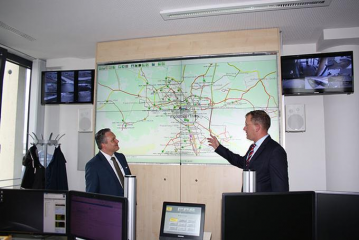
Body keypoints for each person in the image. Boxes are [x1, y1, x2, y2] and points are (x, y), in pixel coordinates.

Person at [207, 110, 289, 192]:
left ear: (257, 127)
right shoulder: (253, 147)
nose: (244, 128)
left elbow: (281, 189)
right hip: (248, 202)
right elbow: (241, 162)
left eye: (247, 125)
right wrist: (219, 148)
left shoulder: (275, 151)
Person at [85, 128, 131, 196]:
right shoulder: (93, 165)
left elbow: (129, 181)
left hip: (128, 203)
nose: (117, 141)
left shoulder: (121, 157)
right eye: (113, 140)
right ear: (103, 144)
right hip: (110, 205)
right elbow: (91, 194)